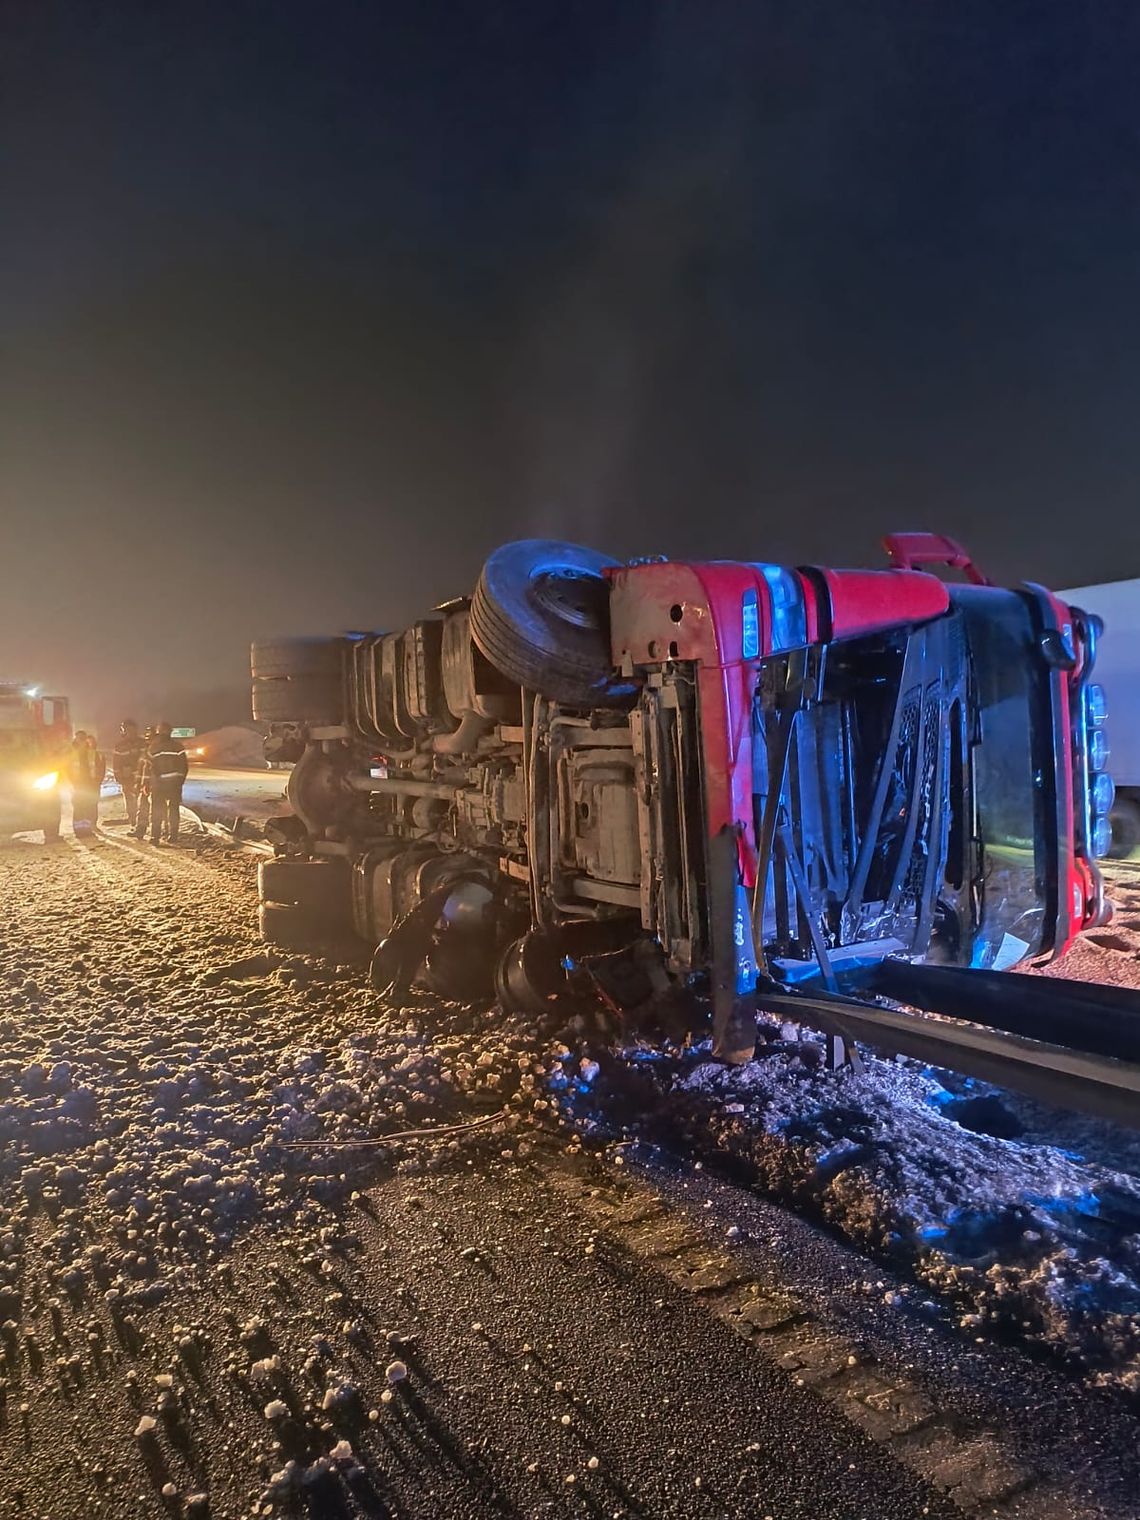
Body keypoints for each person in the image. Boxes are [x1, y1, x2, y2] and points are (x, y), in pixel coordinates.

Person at [146, 722, 189, 845]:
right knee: (174, 810)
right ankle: (173, 836)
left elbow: (149, 767)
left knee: (157, 810)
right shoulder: (178, 747)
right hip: (175, 784)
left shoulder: (154, 747)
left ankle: (155, 837)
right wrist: (180, 781)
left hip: (159, 785)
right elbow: (184, 767)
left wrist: (149, 783)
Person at [67, 730, 106, 836]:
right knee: (78, 809)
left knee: (88, 808)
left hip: (90, 785)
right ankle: (79, 831)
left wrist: (97, 782)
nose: (81, 741)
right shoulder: (71, 754)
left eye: (83, 739)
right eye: (79, 739)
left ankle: (87, 830)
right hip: (77, 786)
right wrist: (72, 783)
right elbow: (67, 770)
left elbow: (99, 768)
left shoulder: (93, 753)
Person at [110, 719, 145, 827]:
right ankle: (133, 820)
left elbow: (147, 759)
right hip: (128, 777)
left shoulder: (142, 743)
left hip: (141, 777)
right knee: (130, 800)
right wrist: (119, 777)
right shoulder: (120, 745)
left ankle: (140, 822)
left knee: (142, 800)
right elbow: (116, 763)